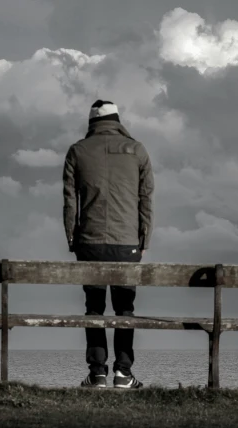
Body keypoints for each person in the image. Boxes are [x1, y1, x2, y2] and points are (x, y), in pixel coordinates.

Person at [62, 99, 155, 389]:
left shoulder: (78, 151)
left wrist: (72, 238)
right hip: (127, 243)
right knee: (125, 309)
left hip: (89, 242)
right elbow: (146, 200)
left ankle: (97, 372)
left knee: (94, 307)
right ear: (117, 119)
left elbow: (69, 202)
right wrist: (143, 240)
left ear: (91, 122)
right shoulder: (137, 150)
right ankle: (123, 373)